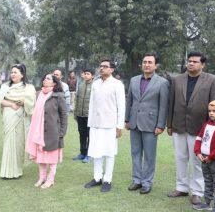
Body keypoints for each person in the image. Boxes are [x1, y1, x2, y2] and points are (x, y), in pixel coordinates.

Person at [167, 52, 215, 204]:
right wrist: (169, 124)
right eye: (189, 61)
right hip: (178, 125)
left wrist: (213, 126)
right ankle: (181, 188)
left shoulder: (212, 80)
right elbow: (172, 102)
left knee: (197, 161)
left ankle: (197, 191)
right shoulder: (177, 79)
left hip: (200, 128)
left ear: (203, 64)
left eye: (195, 62)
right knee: (180, 158)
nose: (191, 64)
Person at [125, 53, 170, 194]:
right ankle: (137, 180)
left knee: (149, 155)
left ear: (156, 65)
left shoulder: (162, 82)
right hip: (134, 122)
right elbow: (129, 101)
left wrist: (161, 125)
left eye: (150, 62)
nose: (147, 64)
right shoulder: (134, 80)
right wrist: (127, 119)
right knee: (135, 153)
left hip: (151, 124)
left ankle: (147, 182)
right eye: (144, 62)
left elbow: (164, 105)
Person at [84, 59, 125, 192]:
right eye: (100, 66)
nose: (102, 68)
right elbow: (91, 104)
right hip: (95, 124)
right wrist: (90, 122)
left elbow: (121, 106)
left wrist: (119, 126)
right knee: (96, 152)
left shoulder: (117, 84)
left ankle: (107, 180)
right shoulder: (95, 84)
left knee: (109, 152)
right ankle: (97, 178)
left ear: (112, 69)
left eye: (105, 66)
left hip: (110, 124)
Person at [26, 73, 67, 189]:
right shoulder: (39, 94)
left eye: (48, 79)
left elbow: (64, 114)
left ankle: (50, 179)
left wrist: (62, 132)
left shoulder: (58, 96)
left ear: (54, 82)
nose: (45, 80)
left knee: (52, 158)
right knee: (41, 157)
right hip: (39, 132)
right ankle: (42, 178)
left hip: (53, 131)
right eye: (44, 78)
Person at [0, 64, 36, 179]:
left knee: (19, 143)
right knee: (8, 142)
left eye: (15, 72)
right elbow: (1, 101)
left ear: (22, 75)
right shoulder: (5, 86)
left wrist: (24, 101)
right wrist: (11, 104)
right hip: (9, 116)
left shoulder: (29, 87)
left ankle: (17, 170)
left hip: (21, 118)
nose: (13, 74)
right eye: (12, 72)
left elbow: (32, 102)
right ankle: (6, 171)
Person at [193, 100, 215, 211]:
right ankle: (207, 203)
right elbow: (199, 138)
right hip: (204, 158)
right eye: (209, 111)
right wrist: (198, 152)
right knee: (207, 180)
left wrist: (211, 157)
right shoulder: (206, 124)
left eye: (214, 111)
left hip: (214, 160)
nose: (211, 113)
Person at [73, 68, 95, 163]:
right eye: (85, 73)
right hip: (80, 115)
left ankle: (89, 155)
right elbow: (76, 99)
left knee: (90, 135)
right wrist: (75, 113)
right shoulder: (81, 85)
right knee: (82, 134)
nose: (86, 75)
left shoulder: (95, 86)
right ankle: (82, 153)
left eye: (88, 73)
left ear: (92, 76)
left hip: (90, 116)